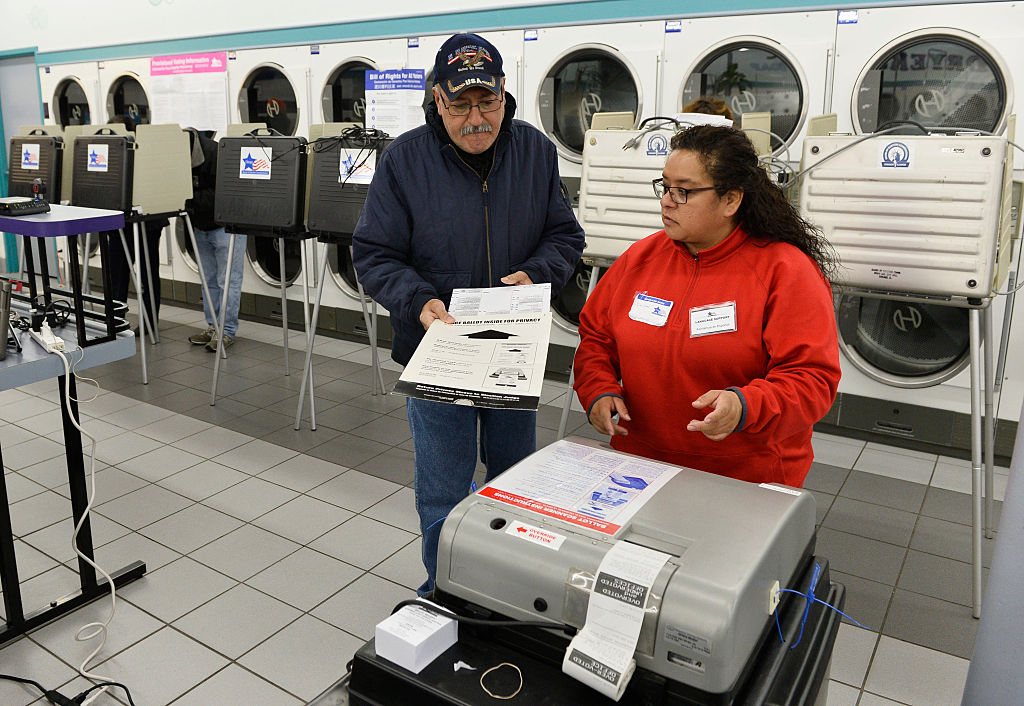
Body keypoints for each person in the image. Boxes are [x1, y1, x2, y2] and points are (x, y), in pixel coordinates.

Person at [353, 32, 585, 595]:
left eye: (487, 102)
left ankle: (506, 592)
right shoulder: (404, 160)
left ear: (505, 94)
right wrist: (418, 301)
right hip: (437, 350)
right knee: (443, 487)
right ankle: (447, 590)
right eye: (460, 105)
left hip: (511, 350)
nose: (475, 118)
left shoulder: (535, 151)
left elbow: (564, 236)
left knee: (513, 481)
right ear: (437, 99)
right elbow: (373, 253)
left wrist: (537, 274)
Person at [572, 125, 840, 488]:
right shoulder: (641, 259)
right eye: (665, 186)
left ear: (731, 200)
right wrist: (598, 389)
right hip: (640, 466)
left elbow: (812, 379)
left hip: (745, 476)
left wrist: (745, 405)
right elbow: (596, 339)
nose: (667, 200)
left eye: (684, 191)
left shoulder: (784, 271)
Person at [184, 128, 246, 351]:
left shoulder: (215, 152)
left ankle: (227, 330)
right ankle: (212, 327)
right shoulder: (175, 154)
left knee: (227, 280)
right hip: (200, 226)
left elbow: (225, 192)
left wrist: (188, 197)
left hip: (226, 227)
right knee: (208, 279)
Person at [104, 115, 167, 336]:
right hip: (120, 223)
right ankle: (117, 320)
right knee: (118, 273)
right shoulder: (111, 151)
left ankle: (149, 322)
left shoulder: (144, 150)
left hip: (147, 222)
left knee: (147, 273)